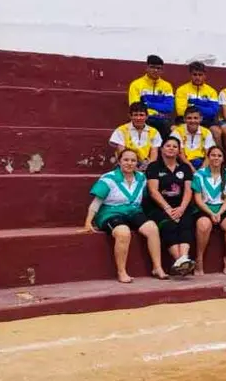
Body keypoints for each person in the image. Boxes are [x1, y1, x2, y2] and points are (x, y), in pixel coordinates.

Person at [84, 149, 166, 283]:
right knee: (123, 232)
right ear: (119, 161)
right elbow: (96, 202)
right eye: (126, 160)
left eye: (133, 160)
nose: (129, 163)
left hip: (133, 211)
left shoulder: (141, 178)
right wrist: (88, 222)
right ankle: (121, 272)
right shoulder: (108, 178)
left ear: (137, 163)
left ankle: (157, 267)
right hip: (110, 212)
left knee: (152, 228)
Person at [145, 136, 196, 277]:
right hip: (159, 207)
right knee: (169, 225)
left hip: (181, 206)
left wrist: (182, 208)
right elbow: (153, 191)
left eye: (175, 146)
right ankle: (180, 261)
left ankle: (183, 258)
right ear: (161, 149)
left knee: (186, 222)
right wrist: (167, 208)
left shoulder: (185, 168)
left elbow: (188, 190)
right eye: (168, 146)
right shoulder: (154, 166)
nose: (171, 148)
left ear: (179, 151)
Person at [191, 146, 226, 276]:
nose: (216, 158)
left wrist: (219, 213)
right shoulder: (199, 175)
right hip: (204, 209)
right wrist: (211, 213)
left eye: (219, 156)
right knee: (203, 225)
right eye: (213, 155)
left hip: (222, 209)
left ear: (223, 159)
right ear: (208, 157)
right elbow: (198, 199)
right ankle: (199, 259)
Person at [128, 54, 175, 137]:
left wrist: (148, 104)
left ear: (162, 70)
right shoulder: (136, 85)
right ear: (147, 68)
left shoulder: (167, 86)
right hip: (144, 119)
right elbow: (136, 107)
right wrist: (155, 113)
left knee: (171, 130)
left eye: (158, 68)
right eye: (152, 67)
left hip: (163, 120)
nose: (155, 70)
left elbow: (169, 107)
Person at [109, 101, 162, 170]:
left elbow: (153, 157)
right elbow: (121, 153)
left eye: (141, 115)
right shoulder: (121, 130)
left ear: (147, 116)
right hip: (126, 165)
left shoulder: (154, 132)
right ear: (130, 116)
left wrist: (147, 169)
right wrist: (134, 169)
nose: (138, 118)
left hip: (146, 167)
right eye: (135, 115)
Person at [174, 61, 220, 134]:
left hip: (206, 120)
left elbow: (213, 111)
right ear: (190, 75)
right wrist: (203, 110)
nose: (197, 77)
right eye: (195, 74)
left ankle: (217, 146)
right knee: (176, 129)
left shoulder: (211, 91)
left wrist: (194, 106)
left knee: (217, 131)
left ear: (204, 76)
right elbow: (181, 111)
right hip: (187, 120)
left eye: (200, 75)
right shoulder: (181, 90)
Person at [170, 105, 216, 170]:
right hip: (182, 163)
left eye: (195, 118)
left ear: (201, 119)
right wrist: (192, 170)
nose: (192, 121)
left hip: (202, 163)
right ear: (184, 119)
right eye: (189, 118)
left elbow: (209, 155)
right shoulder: (177, 132)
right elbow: (181, 155)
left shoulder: (206, 132)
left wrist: (201, 171)